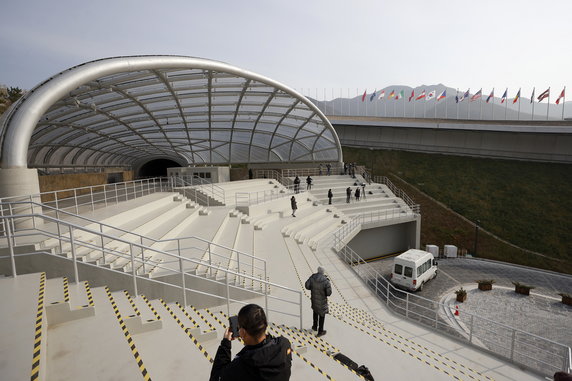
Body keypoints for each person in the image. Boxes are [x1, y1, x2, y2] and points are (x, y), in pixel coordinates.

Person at [209, 304, 292, 381]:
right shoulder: (284, 345)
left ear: (243, 332)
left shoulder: (242, 366)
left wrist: (225, 345)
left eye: (239, 327)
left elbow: (217, 377)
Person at [305, 267, 332, 337]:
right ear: (323, 272)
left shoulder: (313, 277)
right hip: (322, 302)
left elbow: (307, 286)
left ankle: (314, 326)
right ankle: (320, 331)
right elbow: (329, 293)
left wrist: (313, 288)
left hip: (314, 300)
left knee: (315, 312)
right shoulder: (326, 281)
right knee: (322, 316)